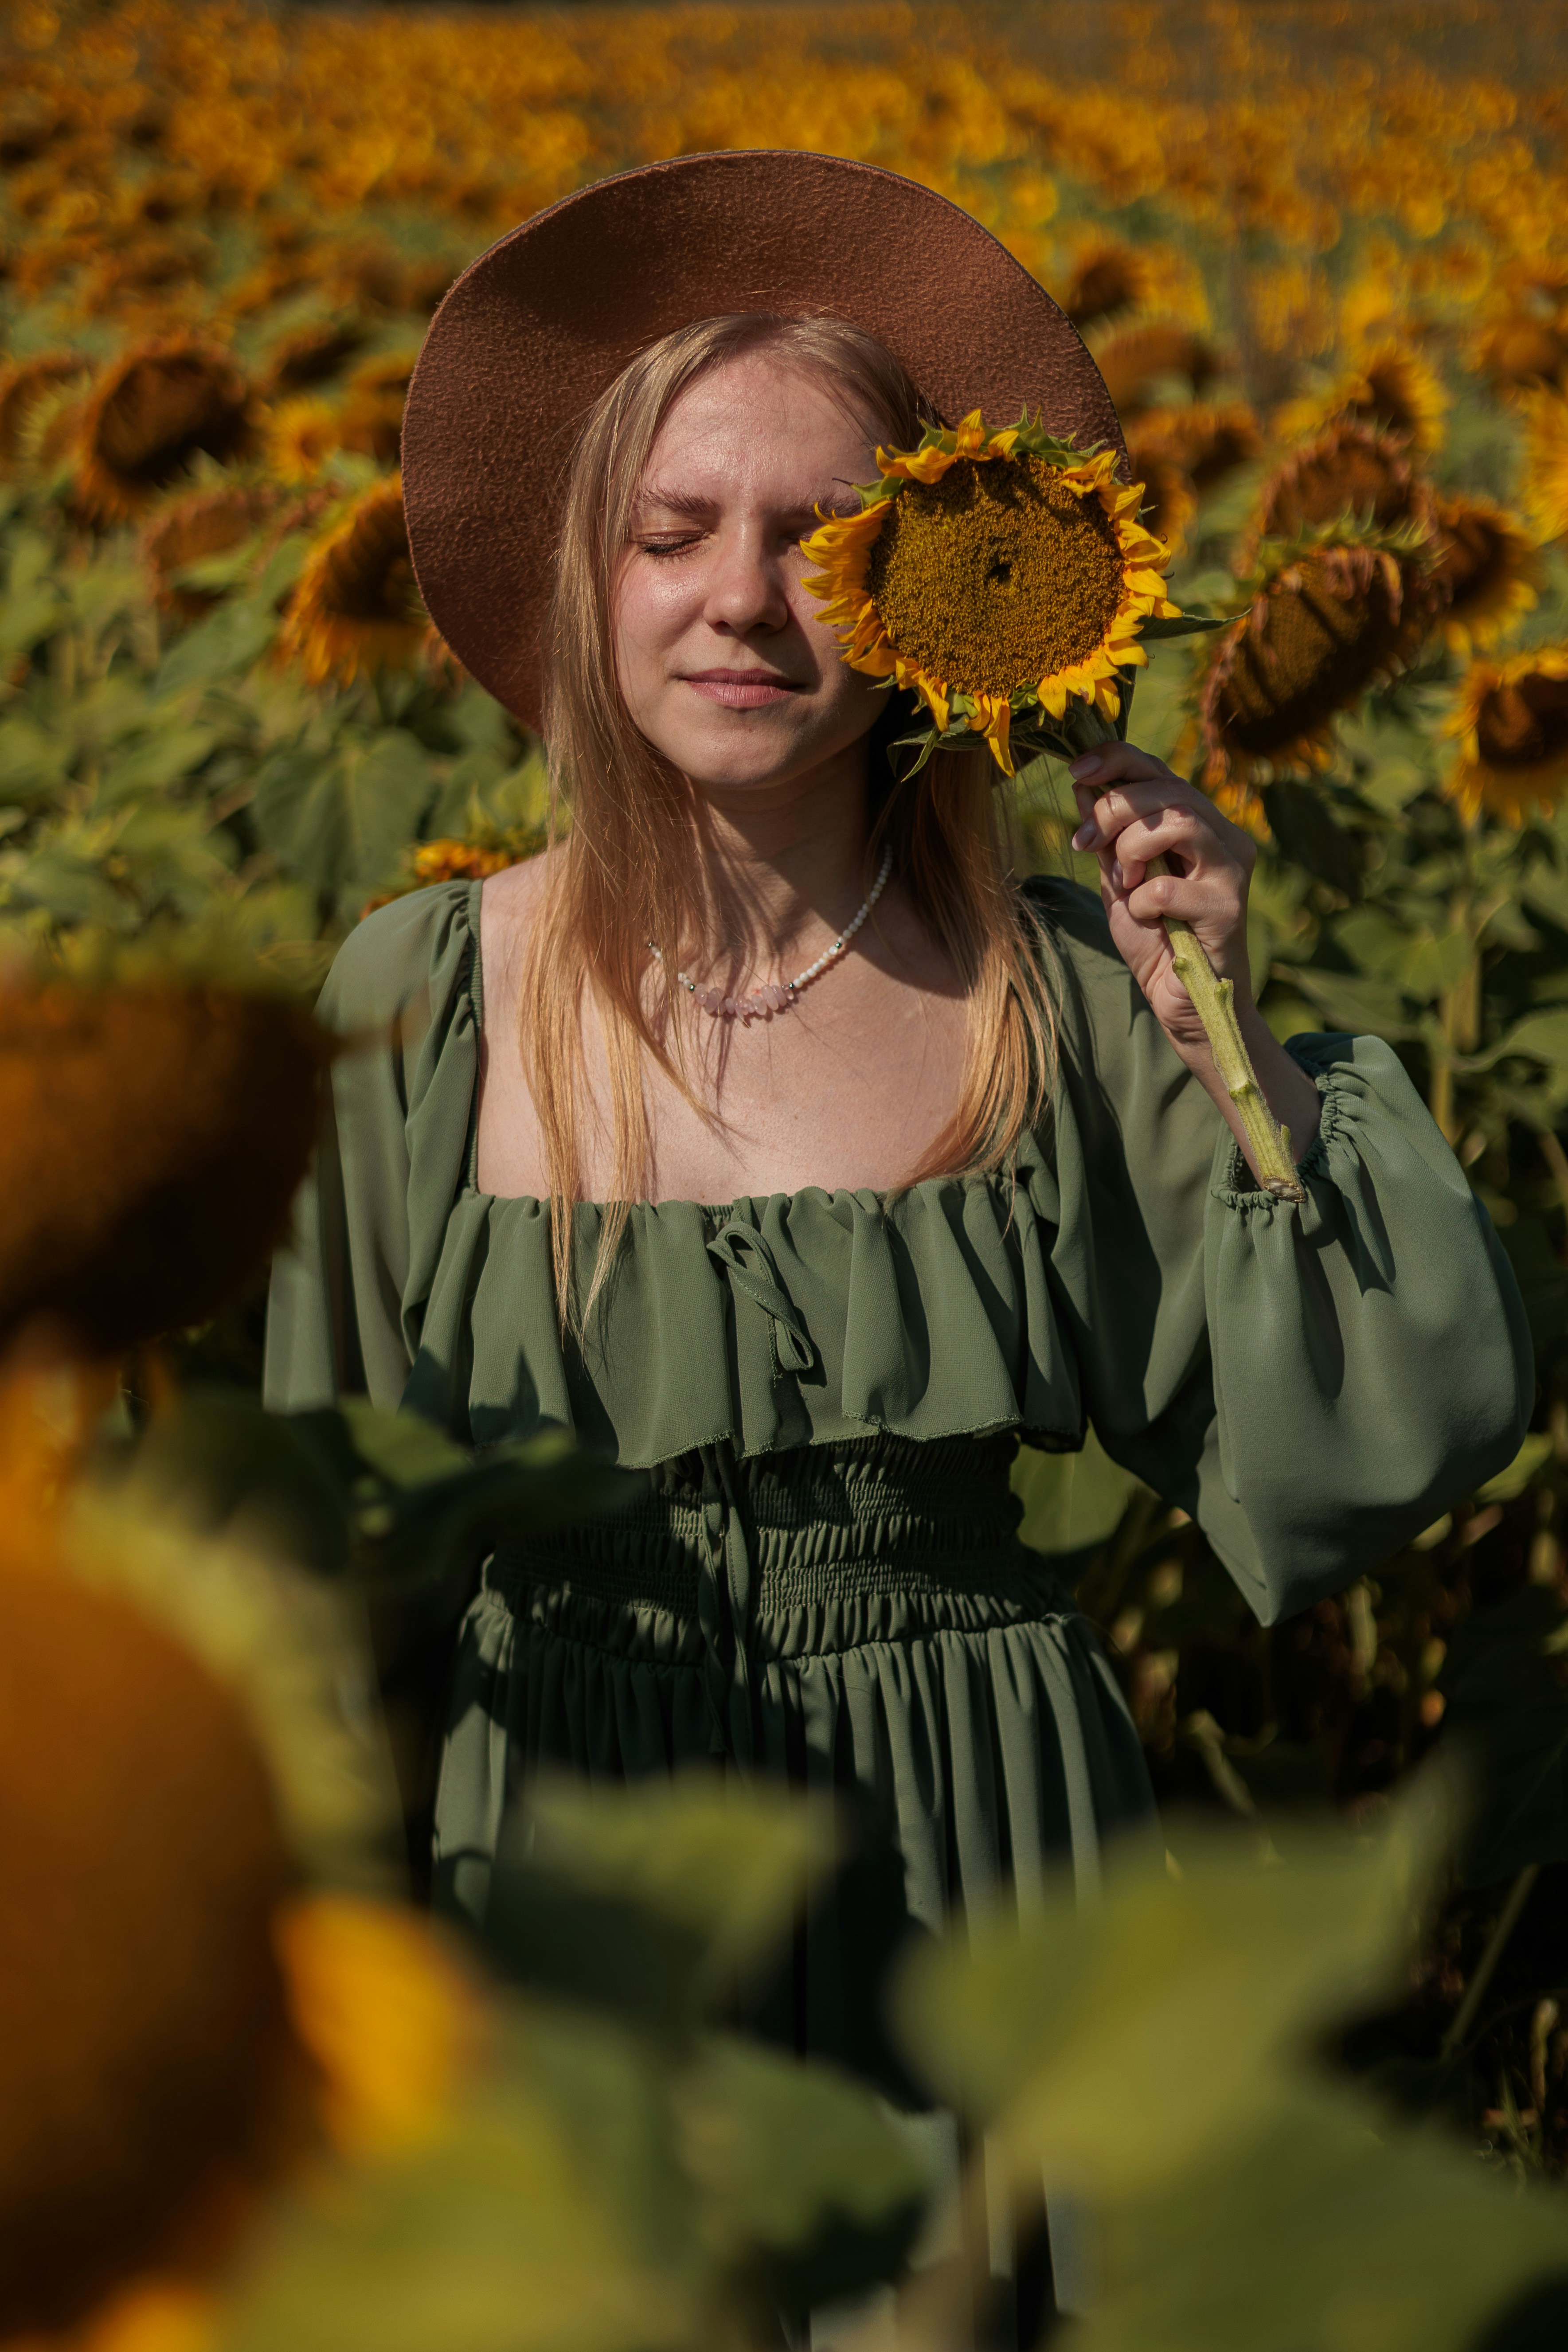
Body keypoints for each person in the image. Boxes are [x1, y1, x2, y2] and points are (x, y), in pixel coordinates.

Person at [266, 152, 1531, 2095]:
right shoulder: (426, 996)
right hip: (570, 1867)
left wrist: (1234, 1043)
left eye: (822, 539)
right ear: (585, 569)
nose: (742, 603)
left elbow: (1369, 1437)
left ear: (929, 593)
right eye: (674, 532)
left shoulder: (1059, 997)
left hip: (989, 1863)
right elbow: (310, 1576)